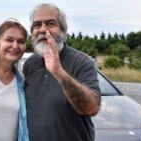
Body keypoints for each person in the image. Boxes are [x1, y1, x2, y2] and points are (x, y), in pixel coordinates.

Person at [23, 3, 101, 141]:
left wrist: (59, 73)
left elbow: (91, 108)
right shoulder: (30, 64)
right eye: (37, 25)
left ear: (63, 30)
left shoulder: (82, 62)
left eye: (50, 24)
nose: (42, 30)